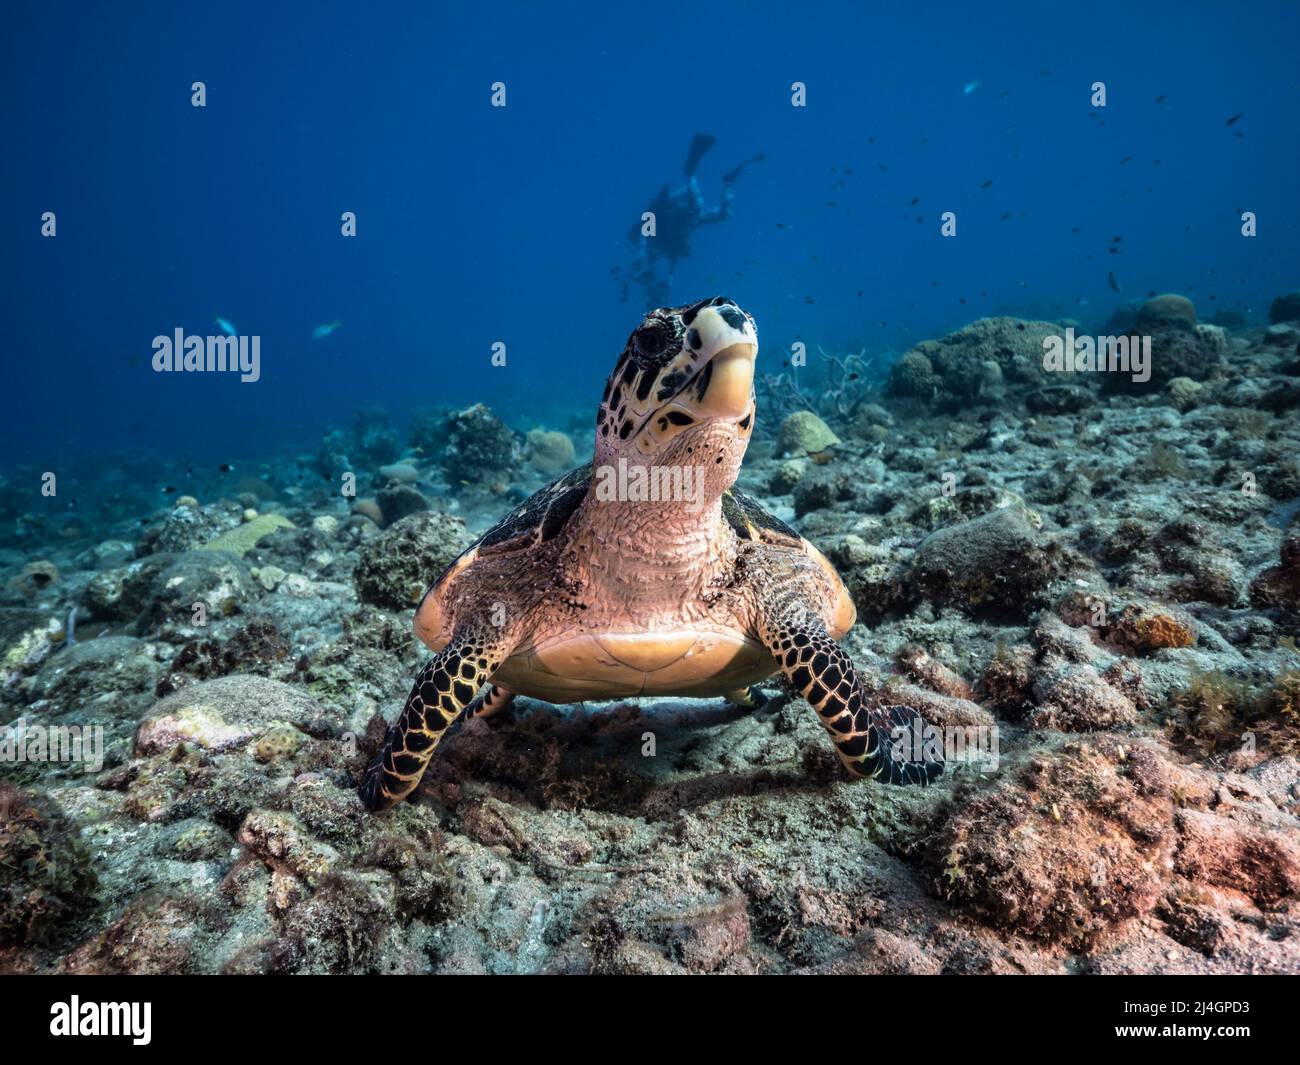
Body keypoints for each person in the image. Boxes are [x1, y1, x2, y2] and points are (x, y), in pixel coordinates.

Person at [618, 133, 764, 307]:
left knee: (696, 200)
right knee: (723, 214)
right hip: (688, 222)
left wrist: (638, 264)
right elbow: (672, 262)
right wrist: (665, 286)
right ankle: (728, 184)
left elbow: (645, 239)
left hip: (679, 214)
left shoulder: (650, 236)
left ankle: (690, 170)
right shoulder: (667, 249)